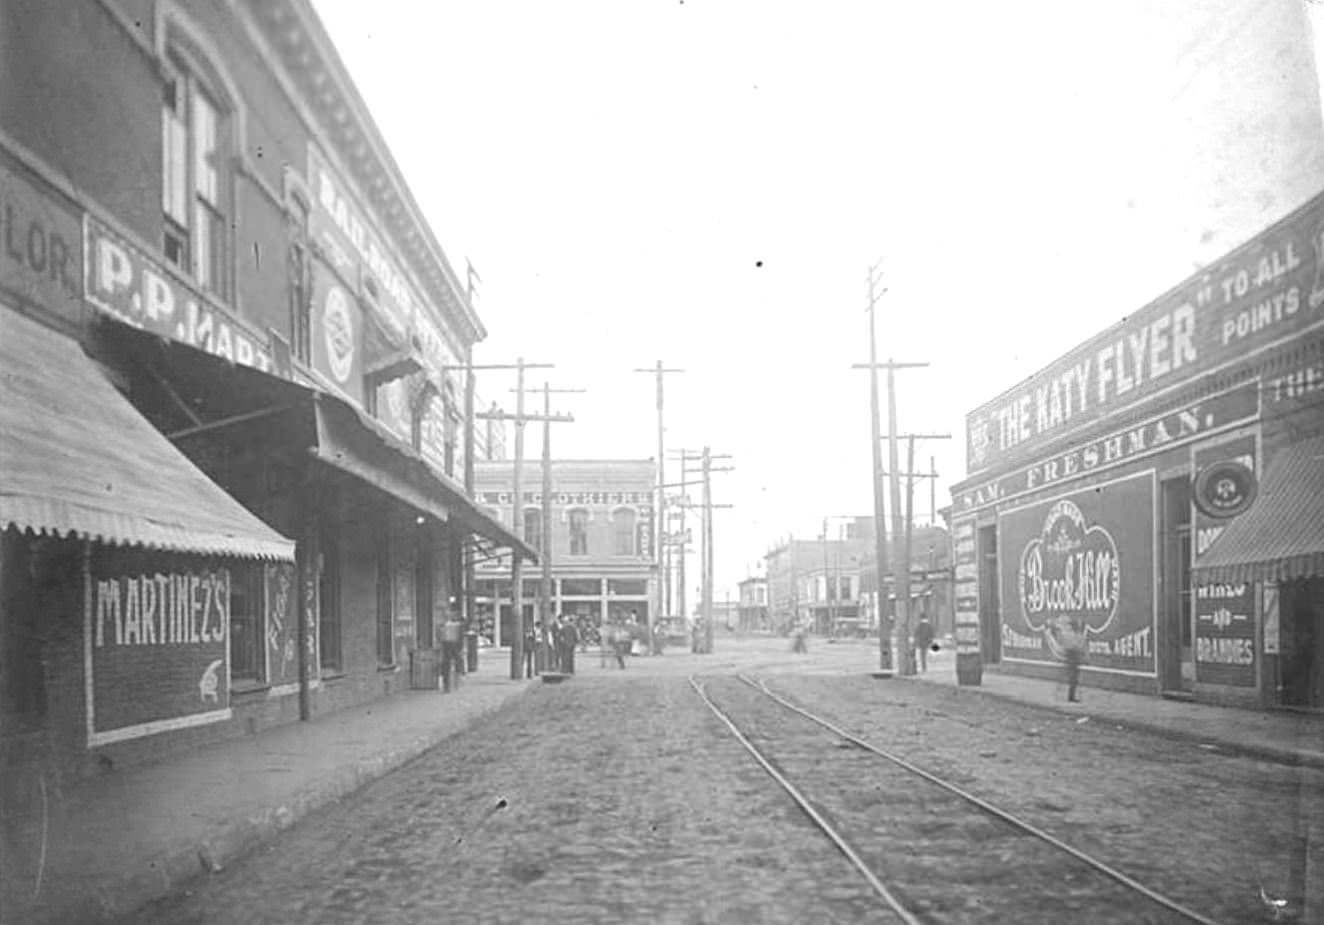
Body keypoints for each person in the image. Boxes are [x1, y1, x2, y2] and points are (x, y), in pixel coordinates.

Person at [1060, 616, 1086, 702]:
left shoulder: (1069, 634)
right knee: (1074, 679)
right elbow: (1076, 646)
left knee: (1073, 678)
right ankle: (1071, 697)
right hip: (1073, 657)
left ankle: (1071, 696)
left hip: (1071, 657)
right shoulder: (1074, 635)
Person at [439, 609, 464, 692]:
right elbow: (460, 638)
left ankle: (447, 686)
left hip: (447, 646)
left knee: (447, 666)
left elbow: (440, 636)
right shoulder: (457, 625)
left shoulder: (443, 625)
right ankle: (456, 684)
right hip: (453, 646)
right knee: (457, 664)